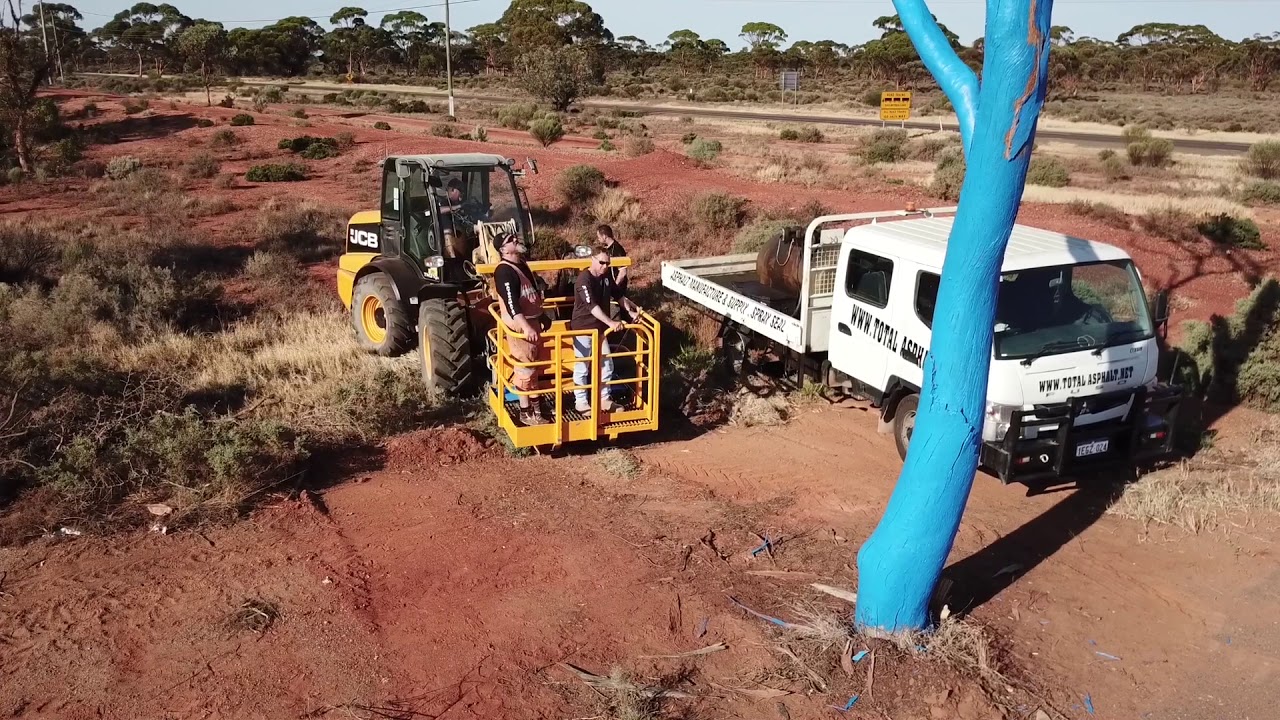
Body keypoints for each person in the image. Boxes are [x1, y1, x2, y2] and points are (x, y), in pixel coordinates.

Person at [571, 245, 641, 416]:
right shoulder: (584, 280)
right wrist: (610, 322)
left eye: (608, 263)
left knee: (607, 364)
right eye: (602, 262)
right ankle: (581, 402)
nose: (605, 266)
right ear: (593, 259)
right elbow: (592, 306)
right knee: (583, 366)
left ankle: (604, 399)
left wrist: (630, 311)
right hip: (584, 328)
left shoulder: (606, 276)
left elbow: (618, 295)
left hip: (600, 329)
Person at [493, 231, 551, 426]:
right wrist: (525, 327)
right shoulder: (504, 271)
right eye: (510, 240)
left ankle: (537, 409)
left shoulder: (522, 264)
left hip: (532, 323)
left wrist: (541, 316)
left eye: (514, 237)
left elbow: (531, 293)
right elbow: (512, 304)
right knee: (525, 370)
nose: (515, 240)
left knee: (533, 368)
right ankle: (526, 412)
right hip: (520, 327)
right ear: (503, 249)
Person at [596, 224, 630, 320]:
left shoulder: (618, 250)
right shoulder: (607, 249)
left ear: (604, 236)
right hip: (610, 286)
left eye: (599, 236)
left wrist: (614, 286)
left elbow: (623, 272)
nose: (598, 239)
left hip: (617, 287)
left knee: (620, 311)